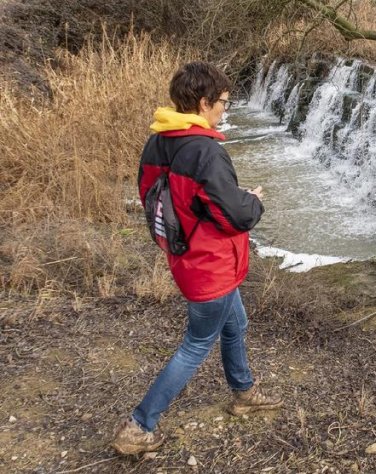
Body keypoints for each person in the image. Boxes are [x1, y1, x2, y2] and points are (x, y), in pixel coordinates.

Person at [111, 62, 282, 455]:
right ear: (204, 103)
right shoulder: (205, 151)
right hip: (210, 265)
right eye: (222, 102)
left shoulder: (159, 142)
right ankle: (139, 426)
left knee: (236, 323)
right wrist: (252, 201)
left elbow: (157, 199)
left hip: (187, 256)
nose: (225, 108)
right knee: (195, 344)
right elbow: (233, 215)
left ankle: (243, 393)